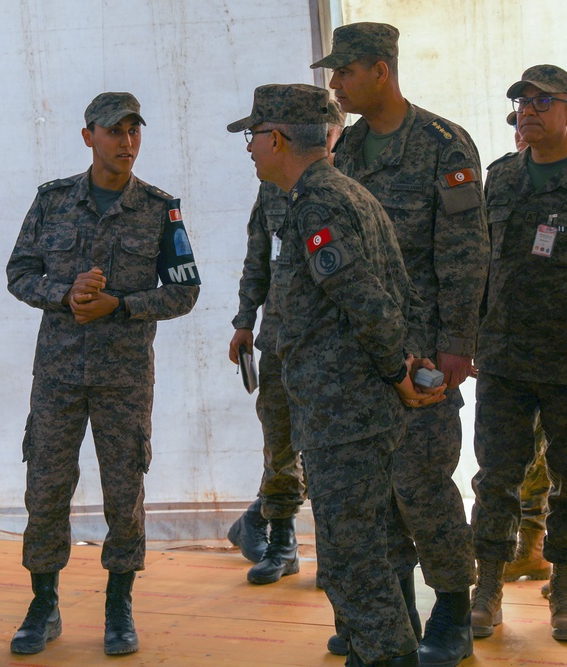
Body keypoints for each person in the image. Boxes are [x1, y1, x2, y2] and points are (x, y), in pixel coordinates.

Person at [229, 82, 444, 667]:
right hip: (347, 408)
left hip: (343, 409)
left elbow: (368, 300)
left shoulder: (317, 204)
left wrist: (397, 370)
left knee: (354, 560)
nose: (249, 148)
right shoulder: (341, 193)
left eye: (253, 137)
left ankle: (385, 657)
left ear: (276, 139)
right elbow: (396, 292)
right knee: (368, 545)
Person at [312, 22, 488, 667]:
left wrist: (457, 344)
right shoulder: (348, 150)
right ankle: (393, 610)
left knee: (422, 482)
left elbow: (467, 253)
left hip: (426, 350)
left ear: (380, 70)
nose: (336, 84)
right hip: (367, 350)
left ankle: (451, 604)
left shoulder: (444, 145)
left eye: (345, 72)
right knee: (374, 487)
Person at [6, 91, 200, 657]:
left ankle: (120, 603)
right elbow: (18, 273)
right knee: (45, 490)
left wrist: (122, 306)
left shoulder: (161, 209)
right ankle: (44, 602)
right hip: (59, 377)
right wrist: (63, 295)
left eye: (134, 130)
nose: (127, 141)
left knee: (124, 495)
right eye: (114, 131)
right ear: (88, 135)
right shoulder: (52, 201)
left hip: (123, 378)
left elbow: (185, 290)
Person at [471, 65, 567, 642]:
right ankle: (487, 586)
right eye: (522, 100)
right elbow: (477, 261)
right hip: (502, 357)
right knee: (494, 478)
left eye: (543, 101)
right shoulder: (499, 178)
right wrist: (468, 336)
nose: (528, 109)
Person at [226, 101, 345, 585]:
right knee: (277, 441)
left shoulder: (343, 186)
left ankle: (335, 555)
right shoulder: (272, 188)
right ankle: (281, 544)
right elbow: (258, 256)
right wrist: (243, 321)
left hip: (327, 343)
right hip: (276, 337)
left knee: (326, 448)